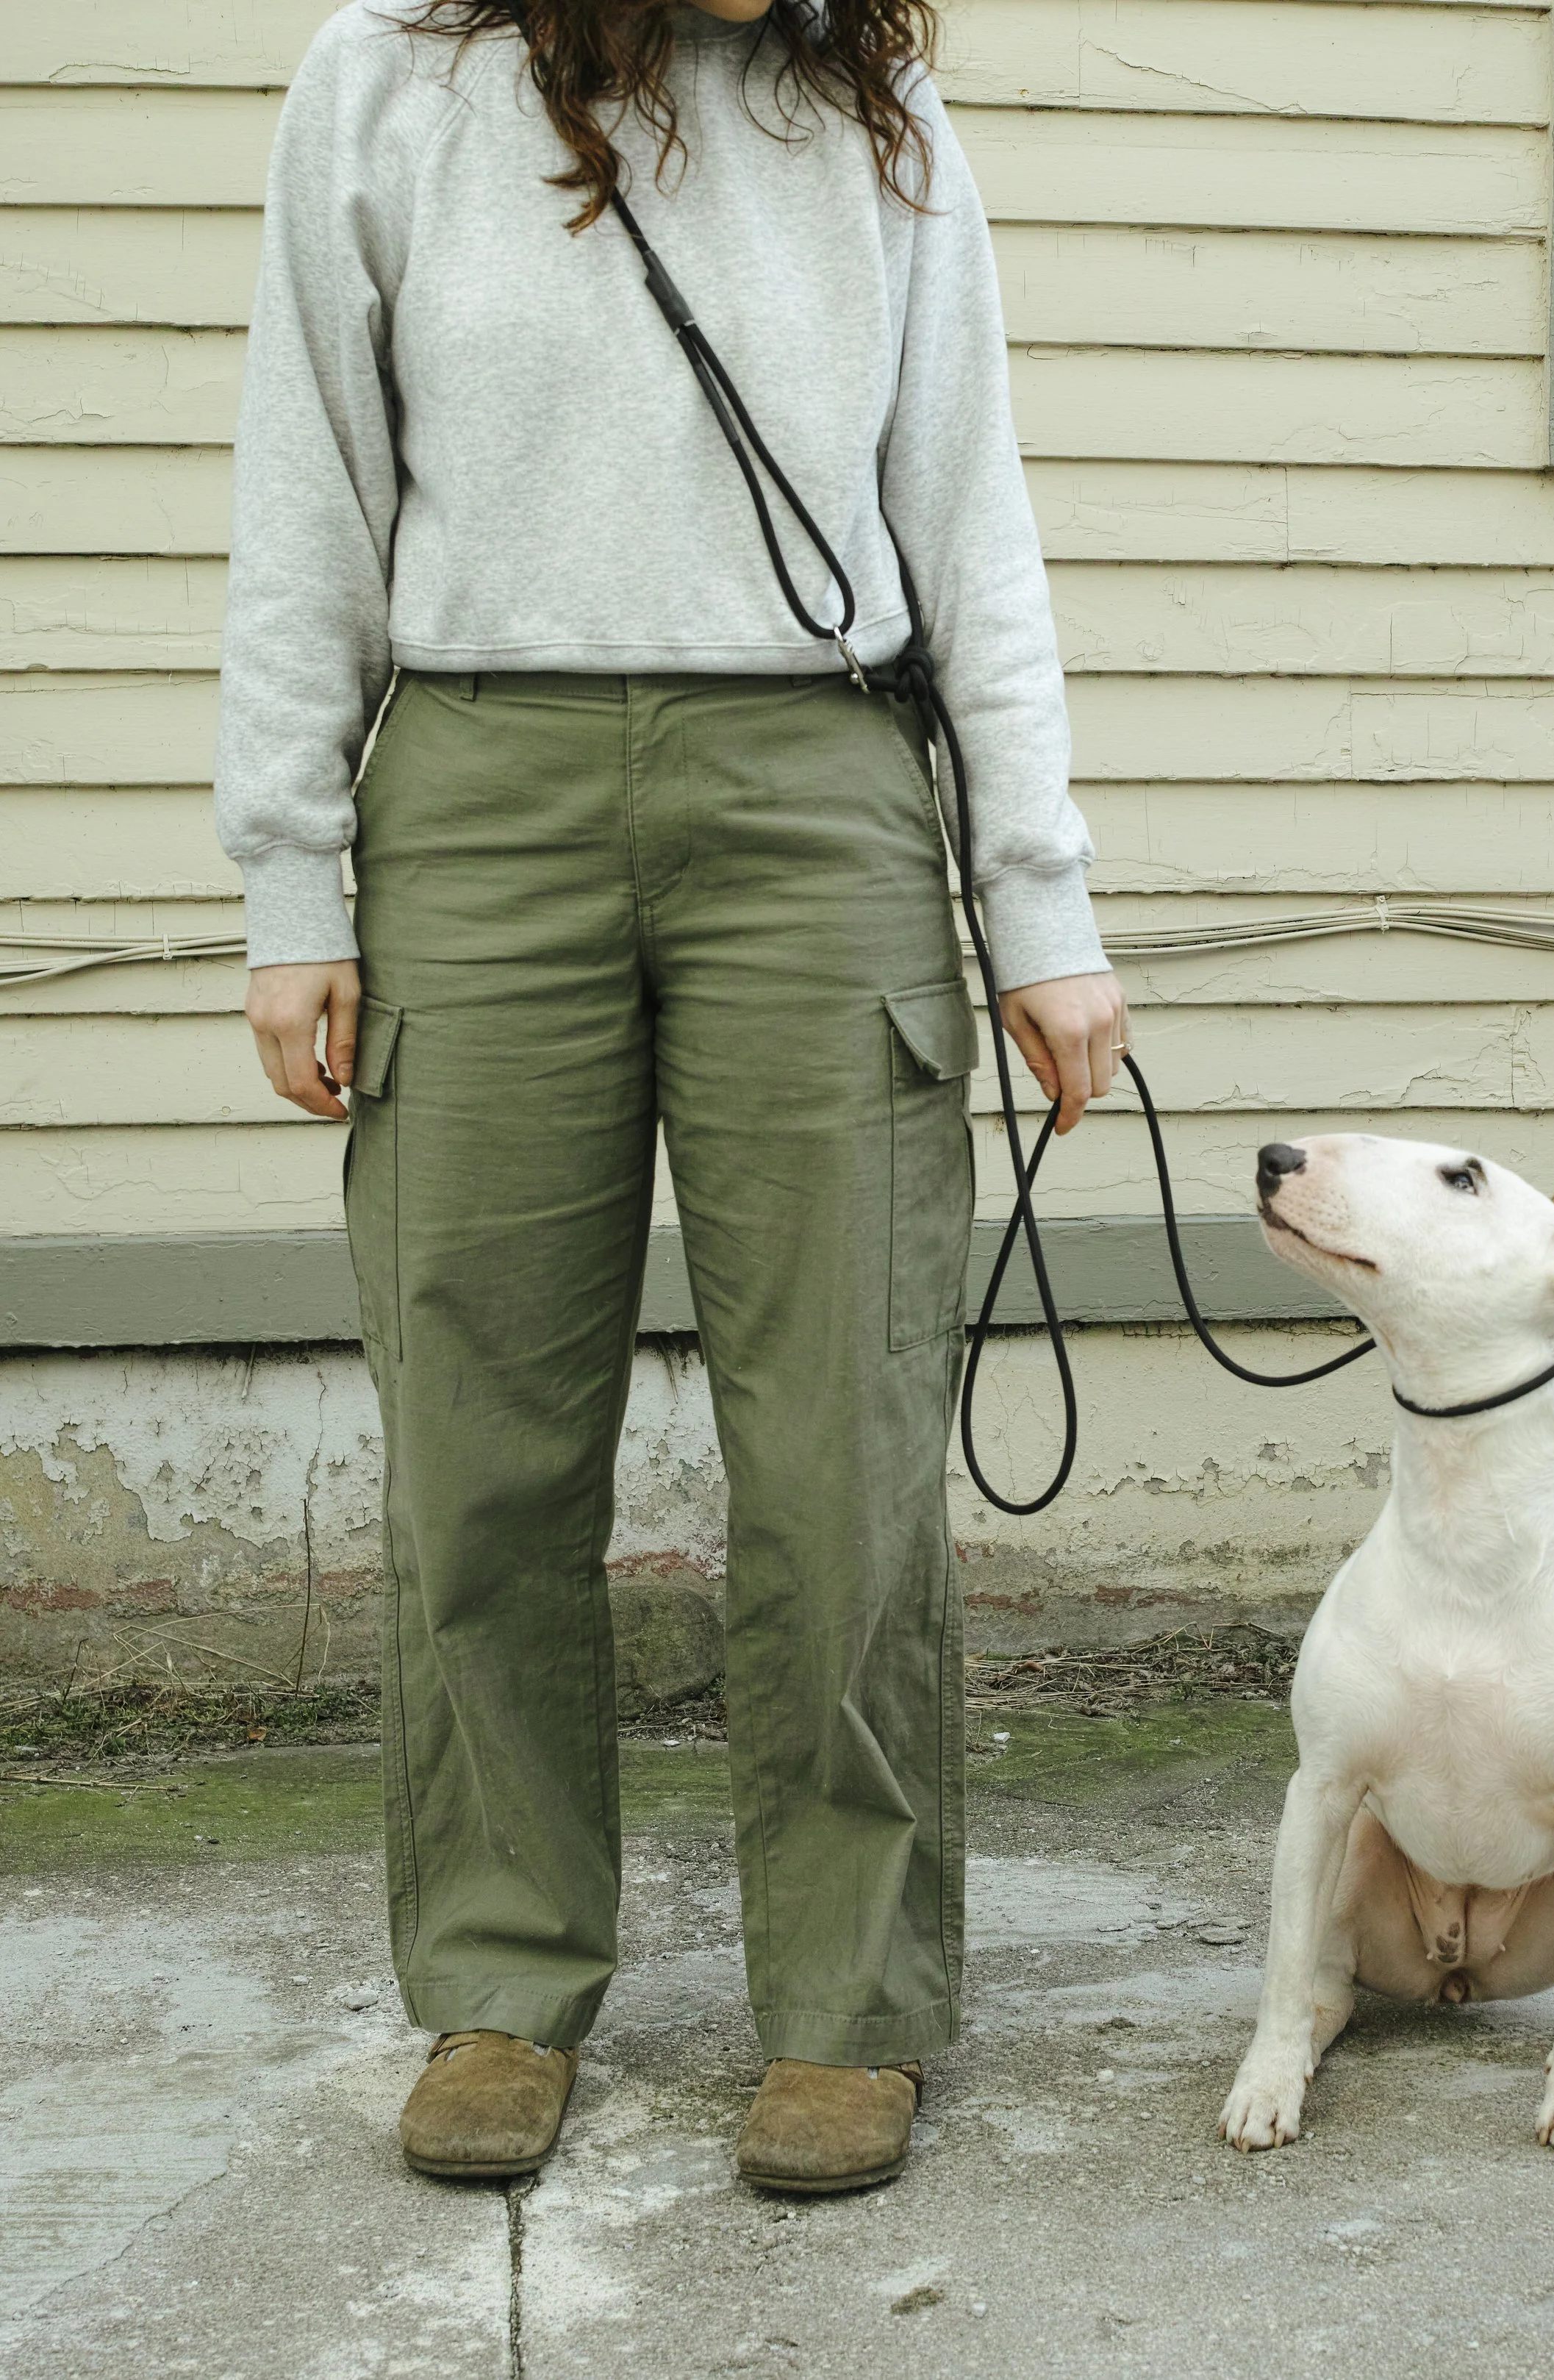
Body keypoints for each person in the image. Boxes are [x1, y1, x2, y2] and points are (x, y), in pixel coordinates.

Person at [215, 0, 1127, 2195]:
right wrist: (288, 873)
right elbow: (306, 475)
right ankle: (502, 1978)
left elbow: (966, 508)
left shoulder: (875, 113)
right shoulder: (384, 82)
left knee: (839, 1421)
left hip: (811, 790)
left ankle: (846, 2004)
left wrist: (1040, 902)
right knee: (482, 1425)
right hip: (473, 782)